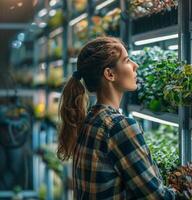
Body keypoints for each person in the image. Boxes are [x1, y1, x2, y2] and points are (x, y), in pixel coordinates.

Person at [57, 36, 177, 199]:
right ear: (110, 74)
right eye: (127, 60)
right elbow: (157, 196)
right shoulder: (118, 127)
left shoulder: (89, 120)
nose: (135, 65)